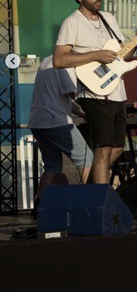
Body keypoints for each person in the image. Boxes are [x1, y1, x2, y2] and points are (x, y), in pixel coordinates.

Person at [53, 0, 137, 184]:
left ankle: (91, 191)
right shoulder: (72, 22)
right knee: (103, 149)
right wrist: (96, 55)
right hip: (94, 93)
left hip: (117, 91)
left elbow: (123, 56)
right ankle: (101, 199)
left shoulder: (109, 18)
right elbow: (59, 59)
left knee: (117, 148)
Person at [28, 56, 93, 208]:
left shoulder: (46, 61)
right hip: (56, 122)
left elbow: (63, 99)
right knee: (87, 159)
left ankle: (39, 208)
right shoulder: (66, 63)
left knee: (52, 166)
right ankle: (90, 204)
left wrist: (84, 114)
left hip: (37, 121)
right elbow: (73, 93)